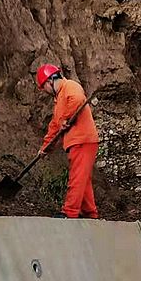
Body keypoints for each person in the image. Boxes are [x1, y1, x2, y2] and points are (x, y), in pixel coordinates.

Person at [36, 64, 99, 219]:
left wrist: (66, 117)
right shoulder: (59, 100)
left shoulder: (70, 86)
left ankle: (69, 212)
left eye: (44, 87)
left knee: (76, 177)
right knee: (83, 178)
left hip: (82, 140)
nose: (44, 91)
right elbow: (54, 126)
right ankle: (90, 213)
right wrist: (45, 147)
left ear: (50, 81)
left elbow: (78, 99)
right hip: (77, 142)